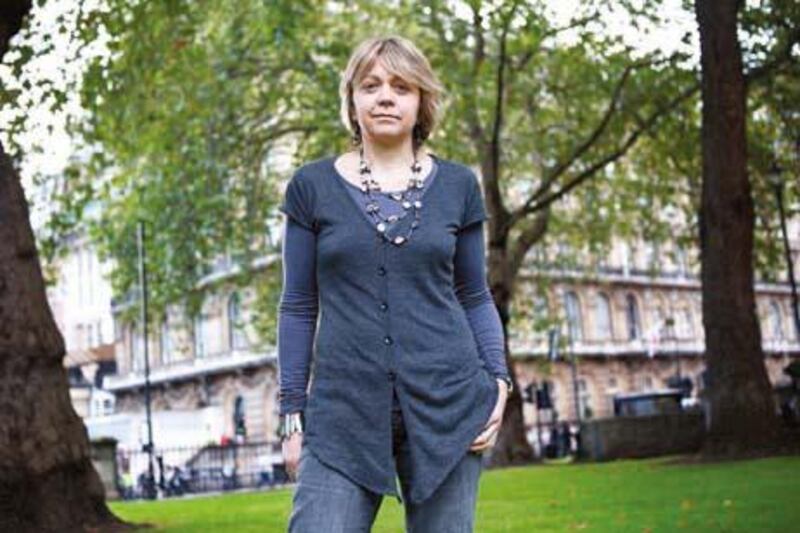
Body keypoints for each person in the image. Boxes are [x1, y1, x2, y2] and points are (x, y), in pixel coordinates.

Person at [277, 35, 513, 532]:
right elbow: (298, 305)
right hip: (342, 410)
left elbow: (473, 294)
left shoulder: (458, 186)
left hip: (449, 404)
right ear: (353, 101)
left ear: (421, 101)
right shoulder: (311, 187)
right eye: (372, 85)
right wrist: (292, 415)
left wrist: (499, 381)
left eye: (402, 87)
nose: (386, 96)